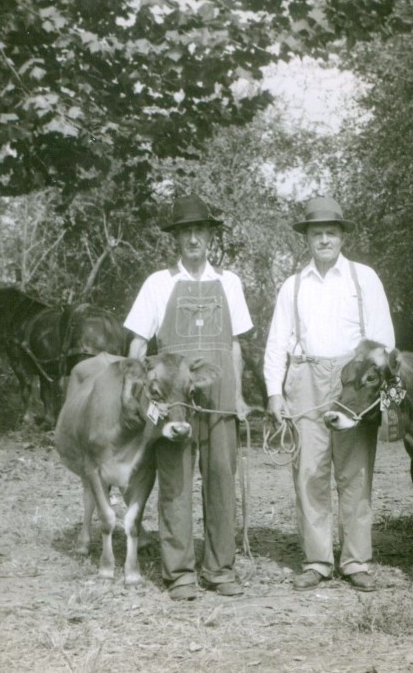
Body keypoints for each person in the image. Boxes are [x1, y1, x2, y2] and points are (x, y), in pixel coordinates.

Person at [124, 194, 253, 601]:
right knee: (175, 484)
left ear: (210, 236)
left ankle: (219, 569)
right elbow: (137, 343)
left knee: (220, 482)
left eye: (200, 230)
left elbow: (233, 344)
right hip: (174, 401)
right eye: (185, 232)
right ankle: (179, 572)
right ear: (176, 239)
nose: (193, 238)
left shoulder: (229, 282)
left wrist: (240, 397)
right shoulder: (158, 283)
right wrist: (145, 397)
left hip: (218, 398)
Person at [263, 196, 395, 592]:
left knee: (354, 472)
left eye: (331, 233)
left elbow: (382, 342)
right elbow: (276, 344)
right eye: (316, 233)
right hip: (304, 378)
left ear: (342, 237)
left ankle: (356, 561)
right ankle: (317, 561)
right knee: (309, 472)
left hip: (352, 380)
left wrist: (374, 389)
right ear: (306, 239)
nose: (324, 240)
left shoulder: (364, 278)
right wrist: (274, 393)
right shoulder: (293, 286)